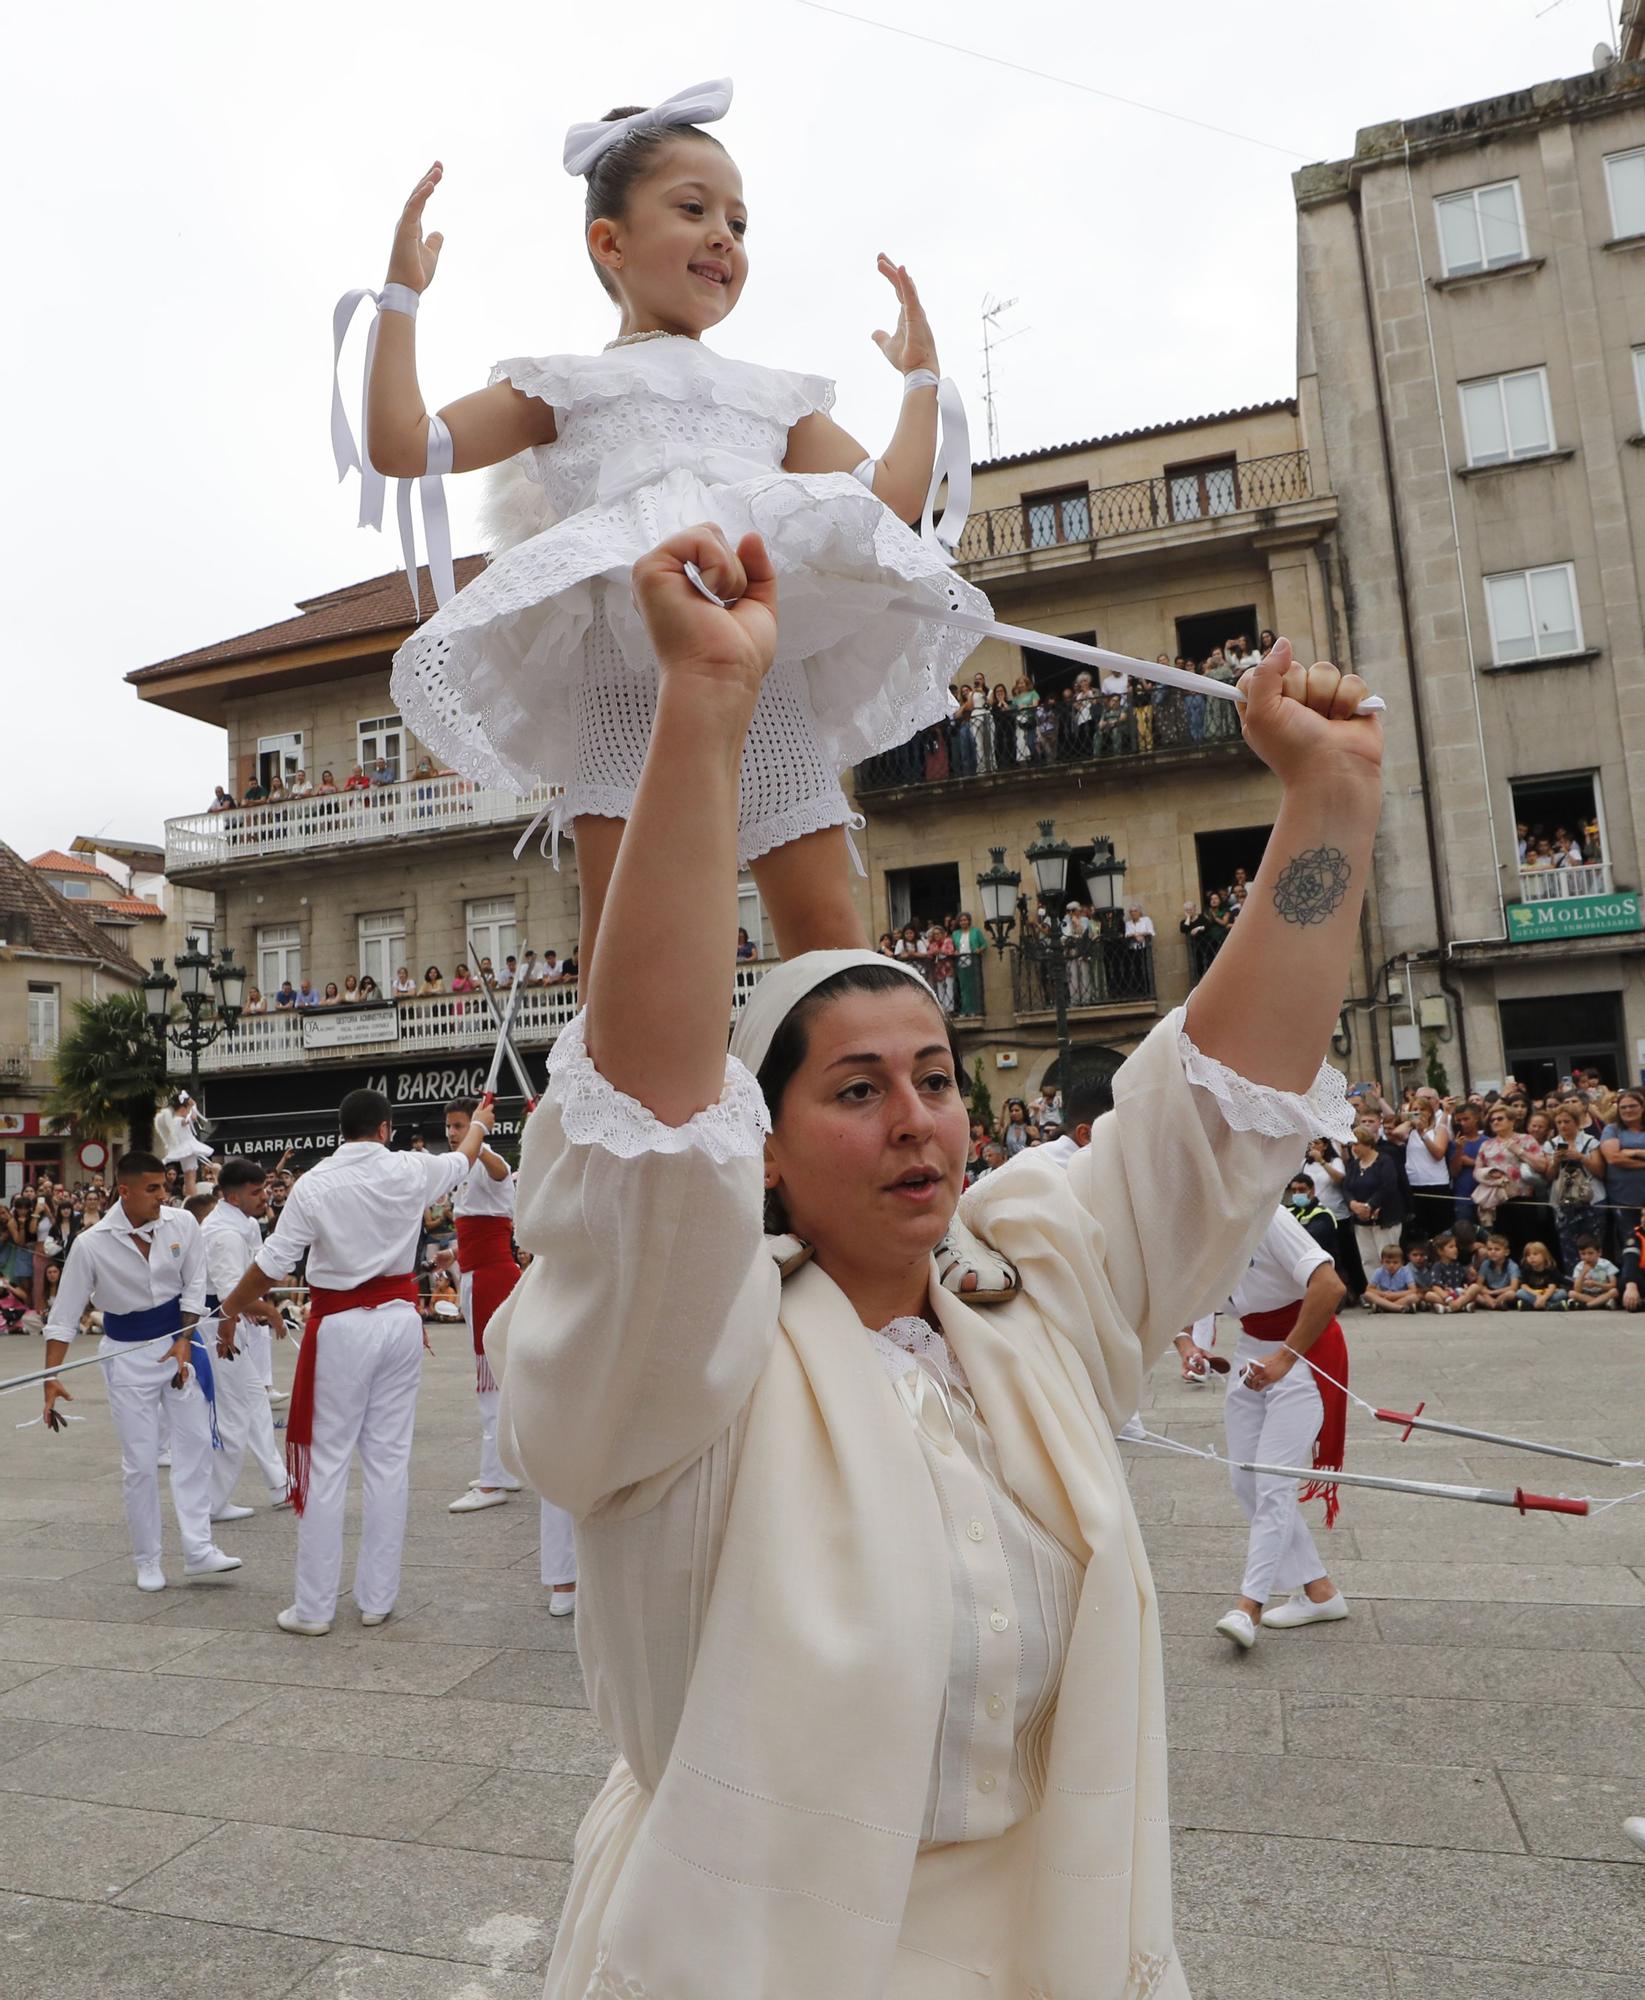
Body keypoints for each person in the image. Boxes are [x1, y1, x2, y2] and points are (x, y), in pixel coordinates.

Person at [481, 522, 1377, 1997]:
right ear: (750, 1146)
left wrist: (1328, 803)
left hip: (1049, 1949)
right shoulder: (686, 1365)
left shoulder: (1027, 1292)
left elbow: (1214, 1109)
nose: (918, 1123)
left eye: (939, 1077)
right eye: (853, 1090)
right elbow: (642, 1131)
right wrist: (703, 707)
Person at [362, 101, 986, 989]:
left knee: (833, 944)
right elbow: (404, 444)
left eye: (737, 221)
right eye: (693, 210)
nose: (723, 237)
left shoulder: (773, 397)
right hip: (625, 685)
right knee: (630, 953)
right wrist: (400, 298)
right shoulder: (570, 386)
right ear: (609, 245)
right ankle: (646, 1127)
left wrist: (922, 379)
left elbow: (889, 498)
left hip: (762, 676)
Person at [214, 1088, 496, 1636]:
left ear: (343, 1129)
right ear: (386, 1129)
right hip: (397, 1322)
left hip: (342, 1326)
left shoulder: (316, 1183)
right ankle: (376, 1599)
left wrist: (228, 1308)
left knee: (326, 1465)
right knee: (389, 1461)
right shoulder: (411, 1168)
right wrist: (481, 1122)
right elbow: (462, 1159)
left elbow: (272, 1263)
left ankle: (315, 1608)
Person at [39, 1153, 242, 1592]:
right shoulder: (91, 1243)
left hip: (180, 1345)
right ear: (124, 1191)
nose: (162, 1195)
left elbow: (194, 1282)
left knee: (194, 1448)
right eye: (151, 1188)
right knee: (141, 1463)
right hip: (127, 1354)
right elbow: (64, 1313)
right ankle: (148, 1560)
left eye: (164, 1185)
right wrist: (50, 1376)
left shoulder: (182, 1224)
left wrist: (186, 1338)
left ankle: (198, 1548)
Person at [442, 1099, 578, 1613]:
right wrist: (453, 1256)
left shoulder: (487, 1162)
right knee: (491, 1379)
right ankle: (499, 1469)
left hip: (498, 1279)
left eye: (460, 1126)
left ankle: (497, 1473)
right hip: (480, 1276)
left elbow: (498, 1170)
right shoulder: (463, 1172)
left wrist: (482, 1137)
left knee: (495, 1378)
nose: (456, 1134)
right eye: (451, 1127)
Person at [1213, 1207, 1351, 1650]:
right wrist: (1187, 1347)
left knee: (1274, 1481)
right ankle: (1320, 1591)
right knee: (1244, 1478)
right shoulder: (1196, 1230)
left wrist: (1285, 1359)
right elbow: (1191, 1299)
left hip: (1304, 1351)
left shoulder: (1266, 1216)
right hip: (1251, 1351)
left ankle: (1248, 1605)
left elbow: (1330, 1286)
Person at [201, 1158, 291, 1517]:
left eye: (263, 1190)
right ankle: (211, 1503)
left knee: (253, 1402)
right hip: (216, 1328)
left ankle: (280, 1484)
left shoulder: (237, 1223)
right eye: (255, 1193)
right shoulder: (224, 1233)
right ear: (234, 1197)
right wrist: (269, 1312)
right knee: (235, 1417)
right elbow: (229, 1296)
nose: (263, 1198)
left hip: (224, 1322)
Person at [153, 1090, 214, 1201]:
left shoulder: (175, 1120)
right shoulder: (178, 1120)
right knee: (190, 1177)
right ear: (183, 1109)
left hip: (186, 1148)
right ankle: (193, 1199)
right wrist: (193, 1105)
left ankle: (191, 1198)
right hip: (186, 1149)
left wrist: (191, 1105)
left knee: (190, 1176)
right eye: (187, 1110)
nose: (188, 1112)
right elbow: (193, 1118)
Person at [1362, 1242, 1422, 1312]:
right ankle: (1399, 1308)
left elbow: (1413, 1290)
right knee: (1367, 1295)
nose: (1391, 1265)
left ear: (1402, 1262)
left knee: (1415, 1297)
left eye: (1395, 1262)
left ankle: (1384, 1308)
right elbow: (1369, 1289)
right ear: (1382, 1262)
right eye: (1387, 1262)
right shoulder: (1379, 1271)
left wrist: (1395, 1295)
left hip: (1400, 1297)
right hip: (1385, 1297)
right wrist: (1384, 1293)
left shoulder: (1406, 1271)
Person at [1568, 1236, 1619, 1310]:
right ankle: (1601, 1304)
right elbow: (1577, 1290)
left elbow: (1613, 1285)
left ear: (1599, 1252)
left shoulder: (1606, 1264)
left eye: (1590, 1253)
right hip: (1587, 1295)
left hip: (1603, 1293)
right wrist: (1583, 1273)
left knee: (1614, 1292)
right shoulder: (1579, 1267)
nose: (1587, 1257)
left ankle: (1587, 1306)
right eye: (1583, 1254)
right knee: (1571, 1293)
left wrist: (1596, 1284)